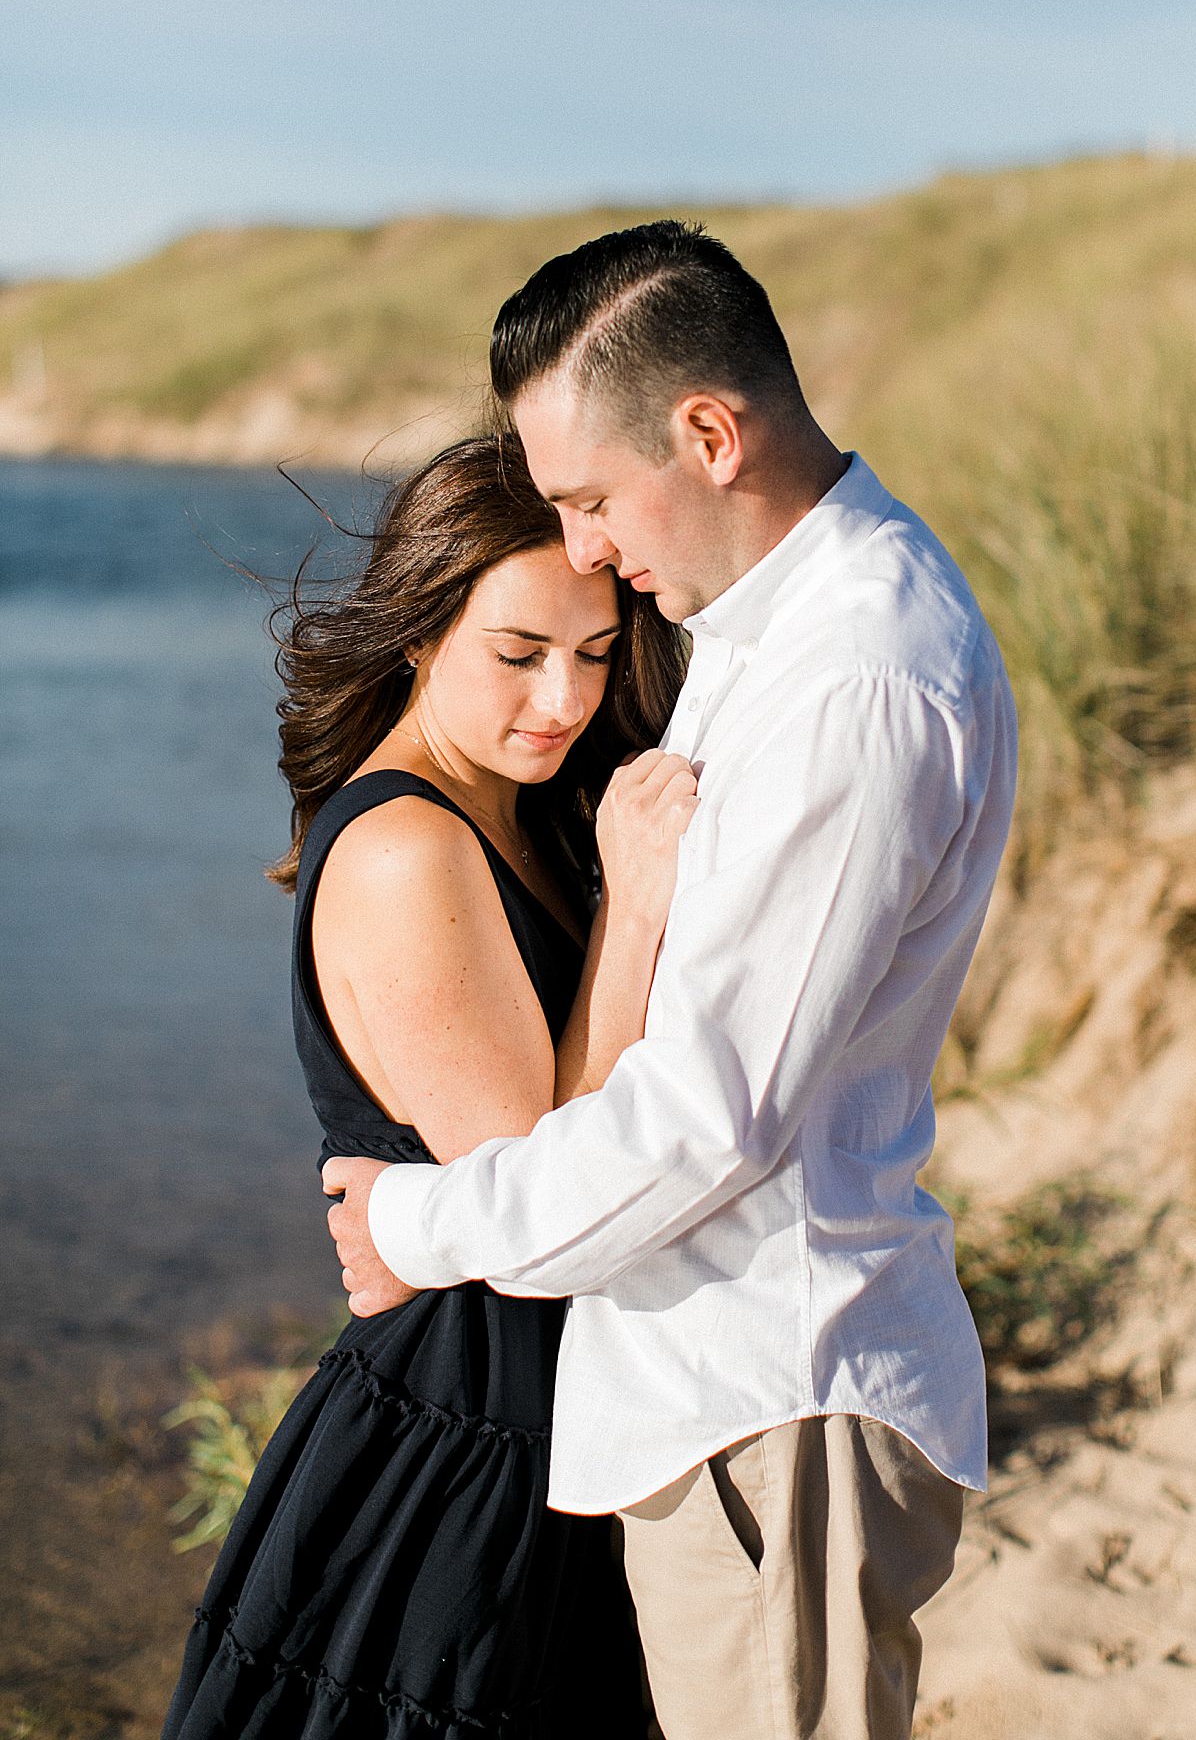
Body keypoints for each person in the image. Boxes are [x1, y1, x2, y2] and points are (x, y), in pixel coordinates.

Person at [327, 222, 1020, 1740]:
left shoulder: (856, 679)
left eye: (587, 497)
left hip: (777, 1400)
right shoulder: (760, 635)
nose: (581, 549)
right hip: (724, 1400)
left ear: (709, 432)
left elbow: (713, 1118)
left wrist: (417, 1222)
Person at [163, 434, 691, 1739]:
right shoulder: (408, 844)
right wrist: (631, 910)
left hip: (540, 1425)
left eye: (595, 653)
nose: (562, 701)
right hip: (463, 1460)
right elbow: (547, 1202)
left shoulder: (521, 809)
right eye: (519, 654)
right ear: (419, 630)